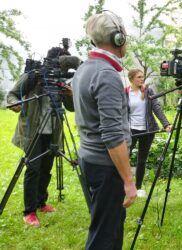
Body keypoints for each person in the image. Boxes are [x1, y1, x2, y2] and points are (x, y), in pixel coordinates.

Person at [72, 12, 137, 250]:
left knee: (108, 224)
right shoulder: (106, 75)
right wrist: (129, 181)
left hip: (90, 159)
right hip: (106, 166)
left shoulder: (84, 68)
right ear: (118, 38)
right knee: (104, 237)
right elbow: (111, 136)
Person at [7, 47, 74, 227]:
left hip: (53, 130)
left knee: (46, 168)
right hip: (33, 130)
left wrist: (70, 95)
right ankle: (29, 211)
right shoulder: (34, 76)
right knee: (33, 168)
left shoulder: (62, 81)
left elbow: (71, 108)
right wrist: (16, 104)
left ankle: (41, 202)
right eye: (64, 64)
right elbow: (12, 95)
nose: (66, 69)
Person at [128, 69, 172, 197]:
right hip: (130, 130)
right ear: (131, 78)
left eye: (143, 77)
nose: (142, 79)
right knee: (125, 157)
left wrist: (166, 124)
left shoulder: (148, 91)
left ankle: (138, 188)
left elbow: (156, 107)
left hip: (147, 130)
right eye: (139, 77)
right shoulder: (125, 93)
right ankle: (124, 186)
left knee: (142, 160)